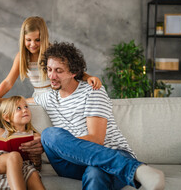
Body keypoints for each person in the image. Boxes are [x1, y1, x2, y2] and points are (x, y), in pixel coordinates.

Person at [33, 42, 165, 190]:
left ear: (73, 72)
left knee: (95, 173)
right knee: (49, 135)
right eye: (49, 69)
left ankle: (133, 169)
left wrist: (63, 145)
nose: (52, 76)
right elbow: (14, 102)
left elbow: (96, 139)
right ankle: (134, 169)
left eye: (58, 70)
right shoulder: (48, 97)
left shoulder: (92, 90)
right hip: (70, 163)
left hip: (112, 153)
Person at [0, 16, 102, 121]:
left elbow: (72, 70)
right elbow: (8, 82)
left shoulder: (52, 53)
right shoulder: (21, 57)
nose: (33, 44)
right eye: (28, 40)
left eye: (37, 40)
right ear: (23, 39)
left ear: (44, 38)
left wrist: (89, 77)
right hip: (37, 98)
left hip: (55, 96)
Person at [0, 96, 45, 190]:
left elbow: (37, 166)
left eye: (26, 107)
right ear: (7, 117)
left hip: (24, 166)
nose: (25, 110)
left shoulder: (35, 136)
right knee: (14, 156)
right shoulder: (0, 132)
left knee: (34, 174)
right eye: (19, 108)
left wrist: (37, 161)